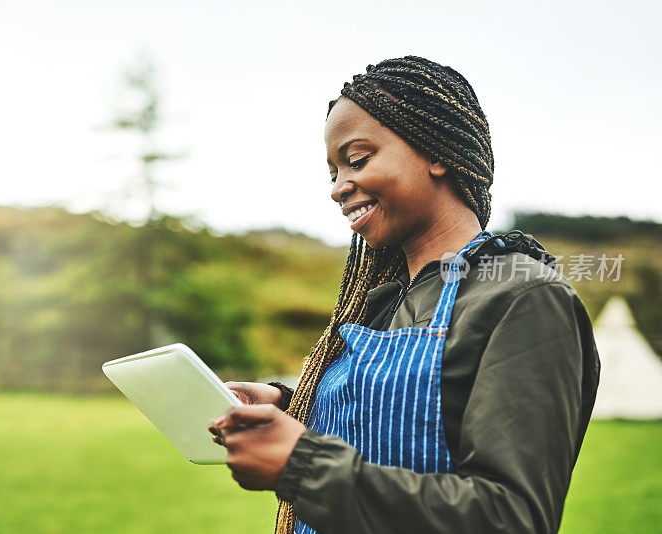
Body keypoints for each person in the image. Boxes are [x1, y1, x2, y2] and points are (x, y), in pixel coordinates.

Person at [208, 56, 600, 534]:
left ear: (438, 153)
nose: (337, 189)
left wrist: (305, 465)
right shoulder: (381, 300)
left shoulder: (522, 296)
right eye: (332, 172)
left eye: (357, 160)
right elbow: (389, 423)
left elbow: (511, 517)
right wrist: (287, 404)